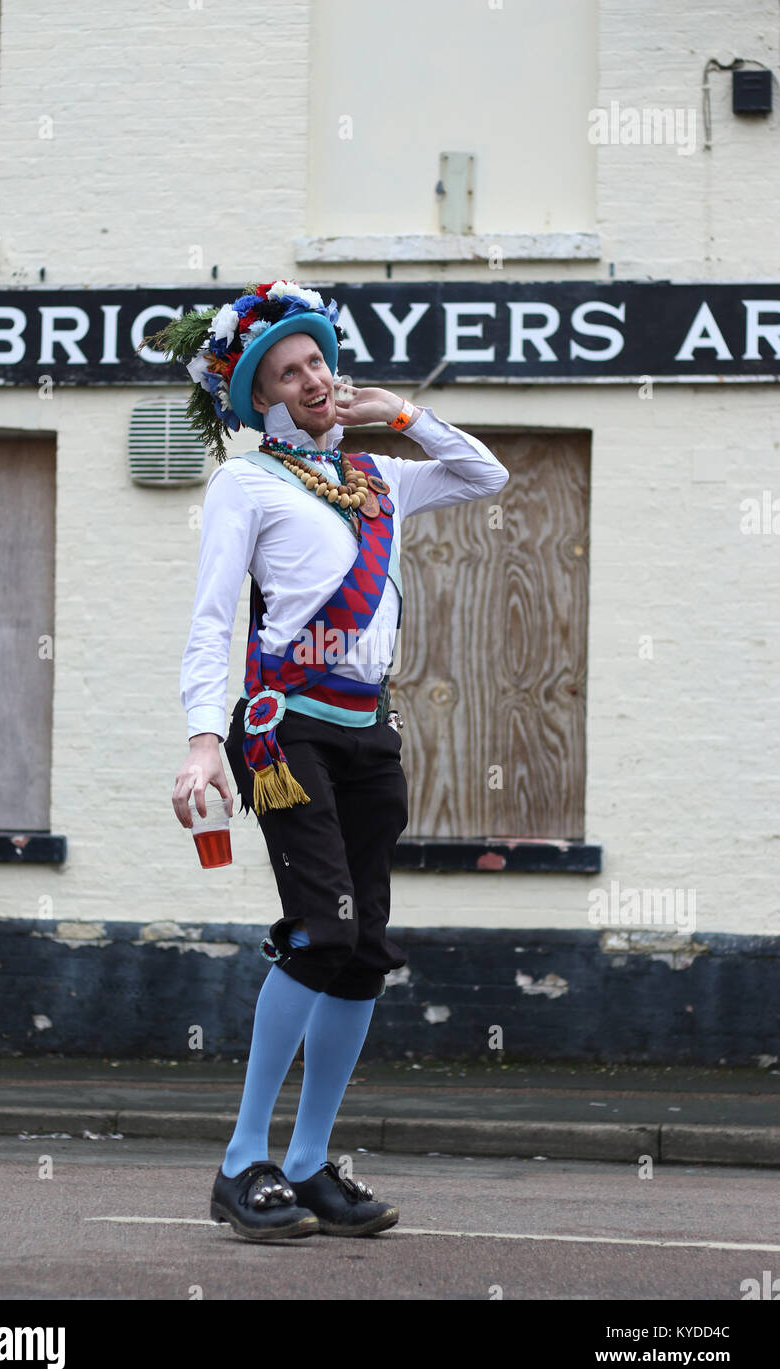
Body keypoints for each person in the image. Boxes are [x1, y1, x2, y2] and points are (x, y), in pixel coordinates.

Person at [143, 280, 509, 1242]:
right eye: (291, 370)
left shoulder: (378, 479)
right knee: (320, 928)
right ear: (260, 398)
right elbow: (212, 622)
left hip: (368, 731)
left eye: (320, 362)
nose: (314, 379)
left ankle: (308, 1164)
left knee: (361, 950)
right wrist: (197, 738)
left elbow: (484, 477)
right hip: (284, 729)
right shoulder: (246, 484)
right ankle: (241, 1163)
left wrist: (402, 414)